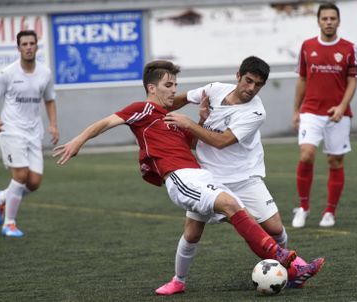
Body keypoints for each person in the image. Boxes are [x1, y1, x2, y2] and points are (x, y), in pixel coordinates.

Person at [53, 60, 297, 282]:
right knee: (230, 208)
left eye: (175, 85)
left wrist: (199, 121)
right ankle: (286, 260)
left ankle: (178, 282)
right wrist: (78, 141)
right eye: (169, 85)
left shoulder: (178, 121)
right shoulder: (143, 110)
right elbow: (106, 122)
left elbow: (202, 142)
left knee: (194, 233)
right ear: (152, 88)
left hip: (210, 175)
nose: (174, 90)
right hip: (184, 177)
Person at [155, 56, 324, 295]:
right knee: (192, 234)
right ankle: (178, 281)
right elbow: (177, 101)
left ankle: (288, 271)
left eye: (258, 84)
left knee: (275, 229)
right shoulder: (214, 90)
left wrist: (190, 124)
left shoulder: (256, 112)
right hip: (208, 179)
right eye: (248, 81)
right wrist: (152, 108)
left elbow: (222, 141)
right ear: (238, 76)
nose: (251, 88)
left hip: (243, 177)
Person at [291, 2, 357, 228]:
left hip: (338, 114)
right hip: (311, 110)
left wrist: (341, 107)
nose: (329, 22)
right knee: (306, 155)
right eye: (325, 18)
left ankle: (329, 211)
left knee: (335, 161)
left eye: (333, 18)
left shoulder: (349, 48)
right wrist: (296, 110)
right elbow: (301, 79)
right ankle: (303, 207)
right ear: (318, 21)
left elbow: (353, 80)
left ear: (338, 21)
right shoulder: (307, 46)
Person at [0, 30, 59, 237]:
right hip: (11, 130)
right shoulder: (8, 73)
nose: (28, 47)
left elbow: (50, 100)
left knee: (34, 182)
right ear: (18, 48)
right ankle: (9, 224)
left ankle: (2, 197)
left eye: (31, 43)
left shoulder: (45, 73)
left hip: (34, 132)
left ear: (37, 46)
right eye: (24, 44)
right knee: (20, 175)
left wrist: (53, 125)